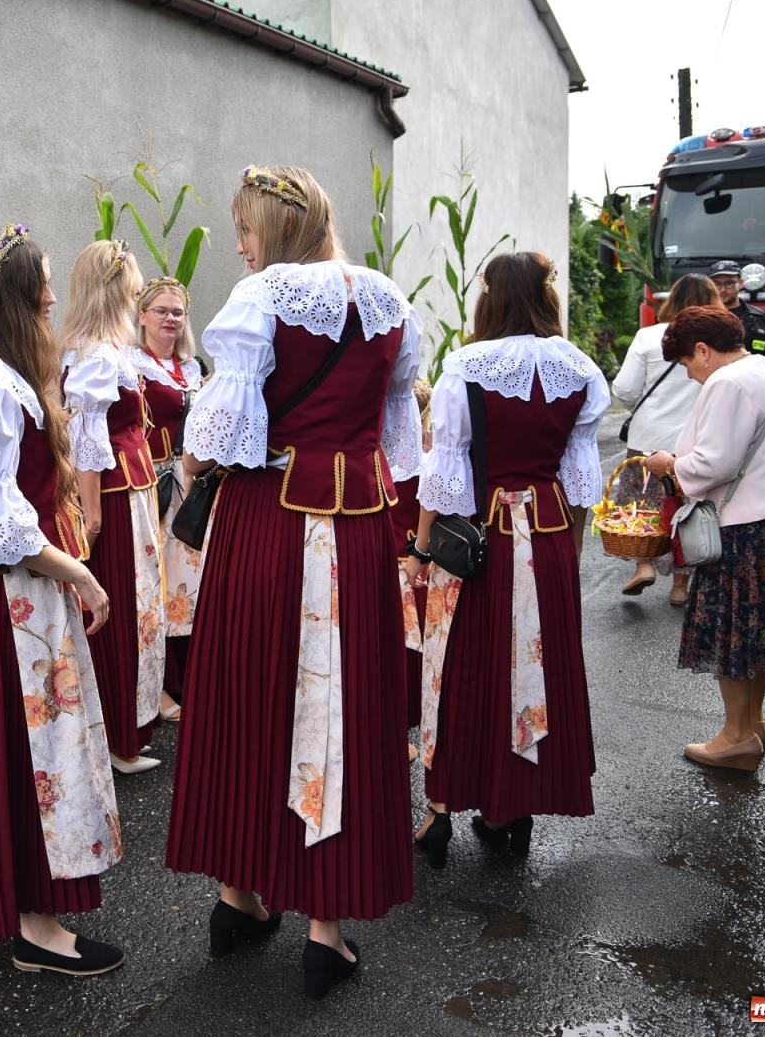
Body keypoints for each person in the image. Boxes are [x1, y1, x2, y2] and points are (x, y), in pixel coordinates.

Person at [166, 164, 422, 1001]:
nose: (238, 243)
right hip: (352, 534)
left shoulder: (262, 297)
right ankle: (324, 930)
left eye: (245, 229)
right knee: (344, 708)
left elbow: (213, 437)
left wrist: (182, 465)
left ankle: (239, 899)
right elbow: (397, 431)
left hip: (265, 527)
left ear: (276, 231)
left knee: (250, 696)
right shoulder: (388, 301)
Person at [0, 224, 122, 974]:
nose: (52, 295)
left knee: (6, 752)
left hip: (2, 603)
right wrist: (78, 572)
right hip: (18, 602)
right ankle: (39, 928)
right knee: (36, 756)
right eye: (42, 282)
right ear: (14, 295)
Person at [404, 251, 608, 871]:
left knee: (461, 666)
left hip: (482, 539)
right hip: (544, 539)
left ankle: (440, 810)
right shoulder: (580, 368)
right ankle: (509, 810)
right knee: (535, 669)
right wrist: (564, 558)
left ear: (489, 299)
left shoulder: (467, 366)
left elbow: (444, 472)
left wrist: (418, 548)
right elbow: (579, 484)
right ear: (546, 298)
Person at [643, 304, 765, 770]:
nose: (689, 374)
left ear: (704, 351)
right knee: (758, 631)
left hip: (750, 526)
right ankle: (752, 723)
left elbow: (714, 463)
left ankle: (735, 737)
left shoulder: (728, 382)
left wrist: (668, 463)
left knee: (732, 630)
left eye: (688, 362)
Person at [60, 240, 167, 775]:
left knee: (121, 607)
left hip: (121, 488)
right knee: (124, 607)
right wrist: (93, 512)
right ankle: (121, 736)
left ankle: (111, 730)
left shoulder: (82, 347)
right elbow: (85, 432)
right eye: (130, 290)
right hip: (116, 496)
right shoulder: (100, 352)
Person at [610, 273, 718, 603]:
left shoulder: (648, 336)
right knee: (688, 508)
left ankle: (644, 564)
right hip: (695, 438)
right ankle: (681, 585)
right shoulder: (717, 339)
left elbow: (626, 389)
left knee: (643, 505)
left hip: (648, 438)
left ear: (671, 299)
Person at [134, 275, 204, 724]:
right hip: (152, 482)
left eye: (177, 312)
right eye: (161, 310)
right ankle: (156, 688)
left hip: (190, 482)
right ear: (141, 316)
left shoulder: (193, 367)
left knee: (189, 584)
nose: (171, 319)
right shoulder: (130, 365)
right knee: (155, 585)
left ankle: (187, 676)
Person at [389, 376, 433, 761]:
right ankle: (402, 723)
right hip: (412, 558)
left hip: (401, 558)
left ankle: (398, 723)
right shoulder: (425, 456)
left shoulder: (392, 456)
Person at [708, 260, 765, 359]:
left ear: (741, 283)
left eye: (729, 283)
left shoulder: (761, 317)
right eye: (717, 284)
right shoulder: (706, 318)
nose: (723, 289)